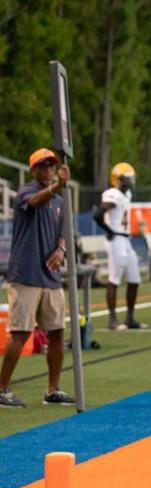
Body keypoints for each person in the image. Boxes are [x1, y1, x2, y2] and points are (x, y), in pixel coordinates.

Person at [0, 148, 75, 408]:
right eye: (42, 166)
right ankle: (1, 389)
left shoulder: (59, 200)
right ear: (33, 170)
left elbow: (63, 229)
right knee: (20, 333)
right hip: (26, 274)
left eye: (51, 165)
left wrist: (61, 248)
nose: (47, 169)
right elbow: (34, 203)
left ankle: (52, 390)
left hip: (50, 277)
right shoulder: (27, 191)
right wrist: (57, 187)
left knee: (57, 333)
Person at [94, 162, 145, 330]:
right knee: (114, 279)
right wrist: (109, 230)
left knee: (134, 278)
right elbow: (98, 214)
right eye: (127, 179)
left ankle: (130, 318)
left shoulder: (126, 194)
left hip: (125, 240)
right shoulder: (112, 194)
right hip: (116, 240)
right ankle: (112, 320)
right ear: (118, 180)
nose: (130, 182)